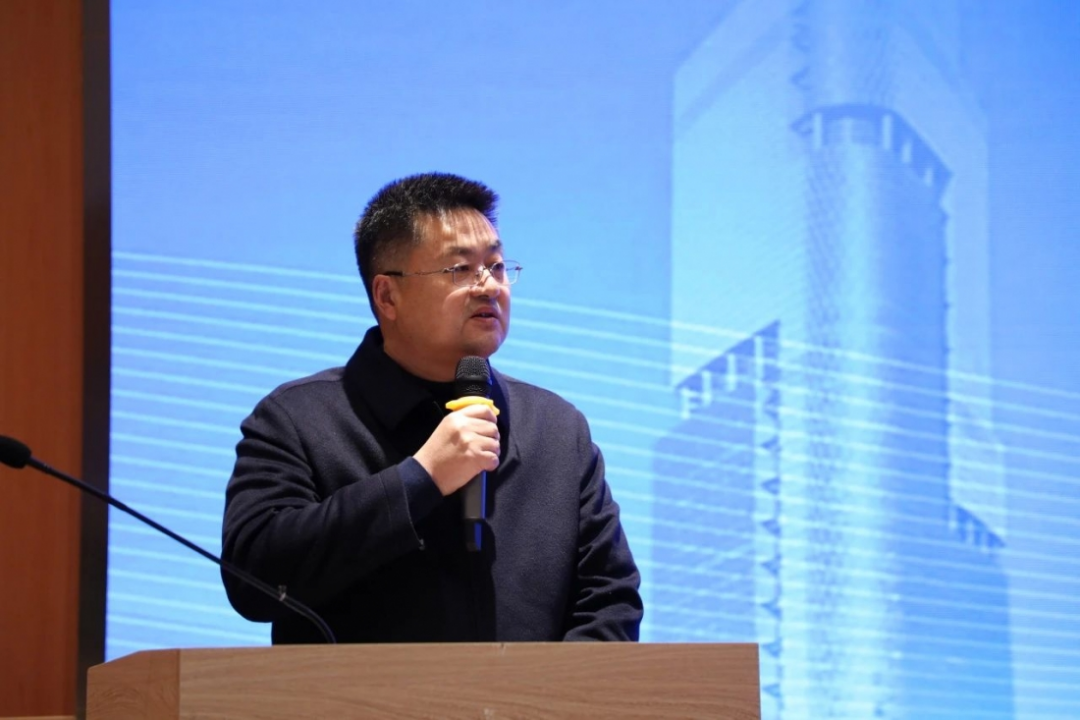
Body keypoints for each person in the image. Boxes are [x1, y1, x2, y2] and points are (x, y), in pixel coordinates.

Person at [220, 172, 642, 643]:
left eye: (496, 266)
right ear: (387, 295)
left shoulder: (558, 429)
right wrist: (421, 478)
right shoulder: (297, 419)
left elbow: (610, 601)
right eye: (460, 269)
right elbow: (253, 580)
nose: (489, 286)